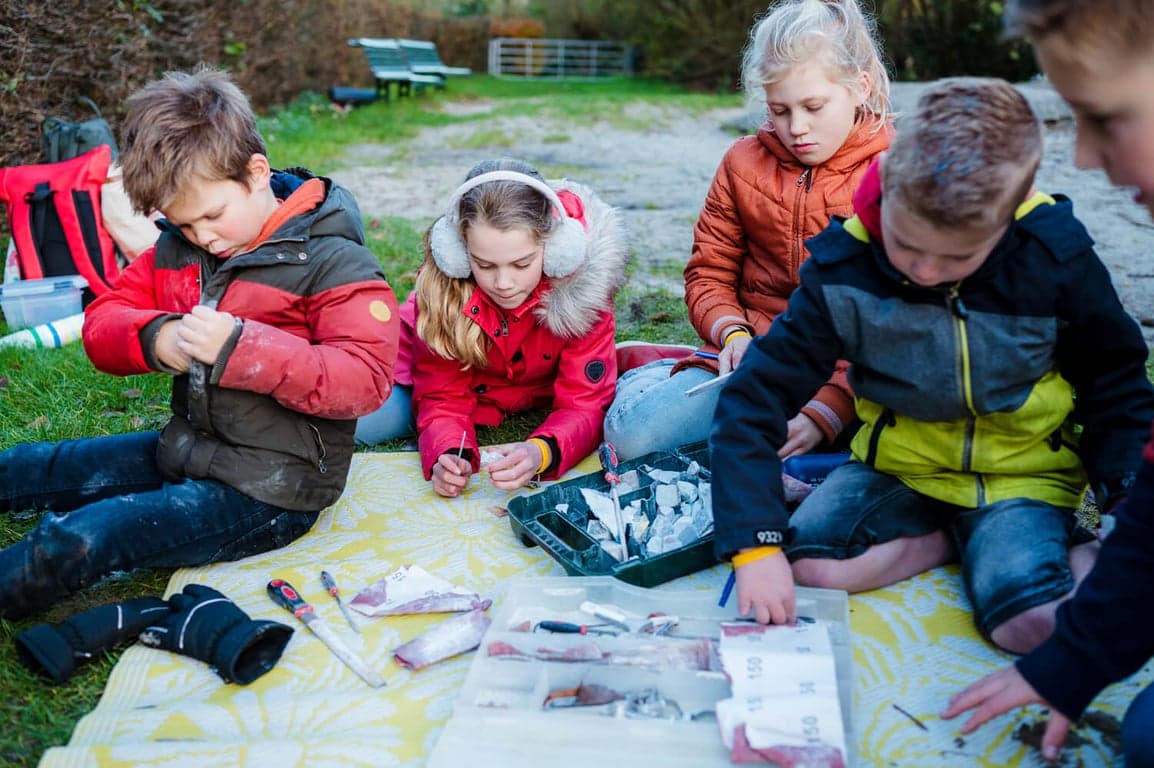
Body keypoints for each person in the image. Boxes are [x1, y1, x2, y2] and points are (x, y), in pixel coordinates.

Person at [709, 77, 1154, 657]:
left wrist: (1125, 505)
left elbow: (1117, 390)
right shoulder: (845, 264)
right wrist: (755, 547)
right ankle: (951, 540)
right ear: (887, 190)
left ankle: (1021, 541)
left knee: (1028, 627)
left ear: (1009, 218)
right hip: (900, 467)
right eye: (906, 243)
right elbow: (754, 398)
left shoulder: (1054, 256)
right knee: (809, 569)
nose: (921, 270)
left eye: (955, 256)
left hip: (1017, 478)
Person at [0, 67, 400, 620]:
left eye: (213, 215)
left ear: (256, 172)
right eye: (184, 224)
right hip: (189, 449)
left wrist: (244, 348)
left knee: (97, 531)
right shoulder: (179, 248)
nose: (203, 235)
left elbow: (363, 381)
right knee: (49, 465)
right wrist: (155, 336)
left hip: (273, 491)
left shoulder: (334, 261)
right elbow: (102, 320)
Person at [943, 3, 1154, 764]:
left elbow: (1117, 380)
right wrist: (1070, 667)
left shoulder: (1059, 256)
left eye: (1104, 118)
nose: (1090, 159)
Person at [603, 0, 892, 461]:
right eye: (779, 110)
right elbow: (708, 274)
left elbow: (895, 318)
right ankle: (653, 372)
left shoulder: (894, 173)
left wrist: (827, 412)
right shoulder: (741, 163)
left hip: (858, 377)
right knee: (633, 440)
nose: (797, 128)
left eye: (813, 106)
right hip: (750, 359)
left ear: (860, 87)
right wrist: (732, 333)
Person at [355, 158, 628, 498]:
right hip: (409, 366)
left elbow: (585, 403)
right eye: (483, 265)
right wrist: (449, 452)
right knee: (351, 424)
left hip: (511, 389)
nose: (503, 283)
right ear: (456, 253)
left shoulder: (584, 292)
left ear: (558, 249)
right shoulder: (445, 294)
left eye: (522, 263)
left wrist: (542, 451)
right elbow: (443, 395)